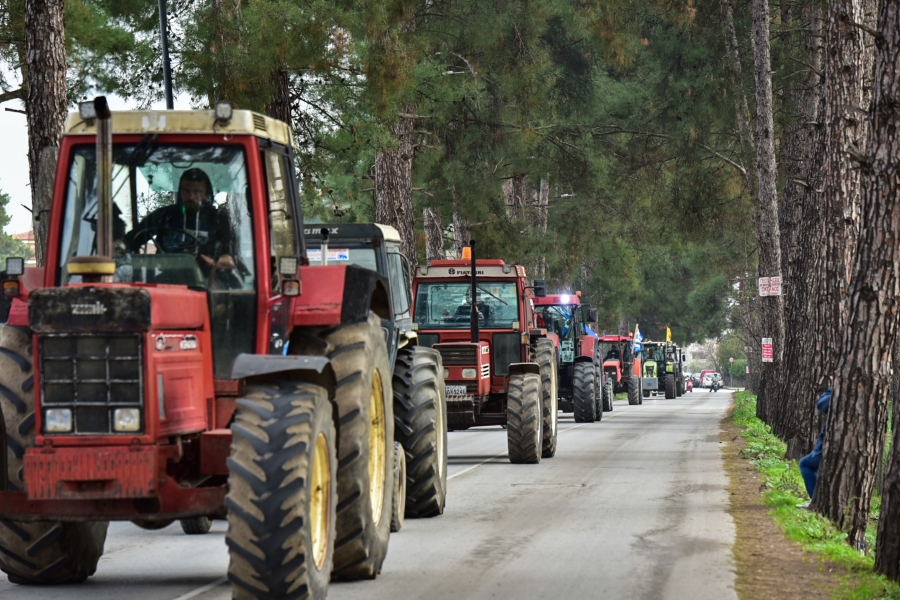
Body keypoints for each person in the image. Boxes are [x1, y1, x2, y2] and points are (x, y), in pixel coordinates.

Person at [124, 168, 235, 275]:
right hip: (168, 278)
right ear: (180, 190)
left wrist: (208, 261)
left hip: (207, 281)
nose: (190, 197)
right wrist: (116, 249)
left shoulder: (218, 218)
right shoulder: (164, 215)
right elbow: (130, 240)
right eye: (186, 191)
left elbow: (230, 260)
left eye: (197, 192)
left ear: (206, 193)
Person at [798, 381, 833, 504]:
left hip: (833, 446)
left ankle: (816, 500)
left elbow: (822, 404)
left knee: (805, 464)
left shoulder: (838, 389)